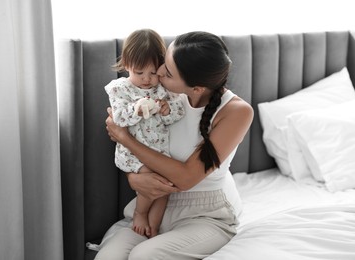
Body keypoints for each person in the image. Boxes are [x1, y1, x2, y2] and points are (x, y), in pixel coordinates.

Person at [96, 31, 254, 259]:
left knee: (144, 256)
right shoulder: (163, 92)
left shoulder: (236, 112)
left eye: (167, 71)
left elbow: (186, 177)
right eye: (164, 63)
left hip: (207, 214)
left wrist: (124, 138)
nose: (158, 72)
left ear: (197, 88)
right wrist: (134, 178)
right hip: (156, 201)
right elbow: (137, 134)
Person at [104, 29, 185, 238]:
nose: (147, 79)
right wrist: (136, 108)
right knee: (154, 181)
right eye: (140, 73)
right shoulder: (120, 89)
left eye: (153, 73)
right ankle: (140, 213)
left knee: (165, 188)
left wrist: (168, 110)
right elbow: (119, 118)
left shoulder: (162, 89)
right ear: (127, 64)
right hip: (133, 152)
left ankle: (154, 227)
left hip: (158, 149)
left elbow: (178, 112)